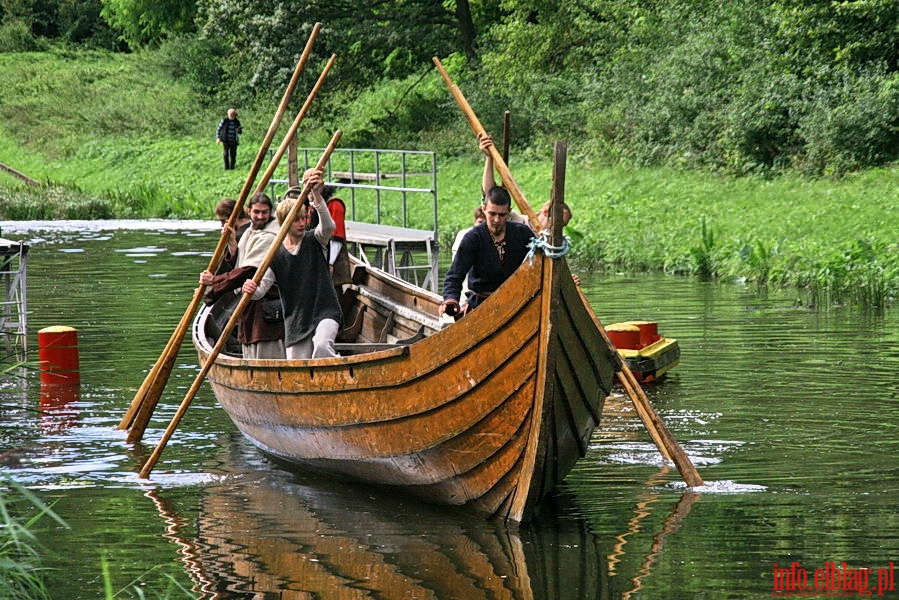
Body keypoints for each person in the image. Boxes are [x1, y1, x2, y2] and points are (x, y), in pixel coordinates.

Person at [242, 169, 343, 359]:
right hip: (296, 320)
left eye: (303, 218)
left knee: (321, 346)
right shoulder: (275, 254)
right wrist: (249, 288)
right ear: (283, 223)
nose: (301, 223)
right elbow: (260, 291)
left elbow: (329, 227)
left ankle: (337, 377)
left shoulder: (315, 240)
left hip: (325, 311)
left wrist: (316, 195)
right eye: (295, 220)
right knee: (296, 364)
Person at [200, 192, 285, 359]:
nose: (260, 216)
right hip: (249, 301)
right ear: (248, 211)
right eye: (256, 212)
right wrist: (232, 243)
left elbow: (246, 271)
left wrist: (213, 284)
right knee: (248, 343)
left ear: (270, 212)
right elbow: (239, 262)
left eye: (265, 212)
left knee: (264, 347)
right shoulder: (249, 232)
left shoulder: (270, 236)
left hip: (267, 301)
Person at [440, 184, 535, 317]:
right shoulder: (473, 238)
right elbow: (454, 276)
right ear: (484, 209)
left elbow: (540, 263)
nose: (497, 220)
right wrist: (451, 299)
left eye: (502, 215)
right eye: (492, 214)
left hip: (516, 303)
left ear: (509, 211)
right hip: (481, 306)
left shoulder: (522, 233)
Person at [303, 183, 352, 288]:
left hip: (330, 265)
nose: (312, 189)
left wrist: (330, 263)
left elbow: (337, 237)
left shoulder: (334, 204)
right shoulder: (306, 205)